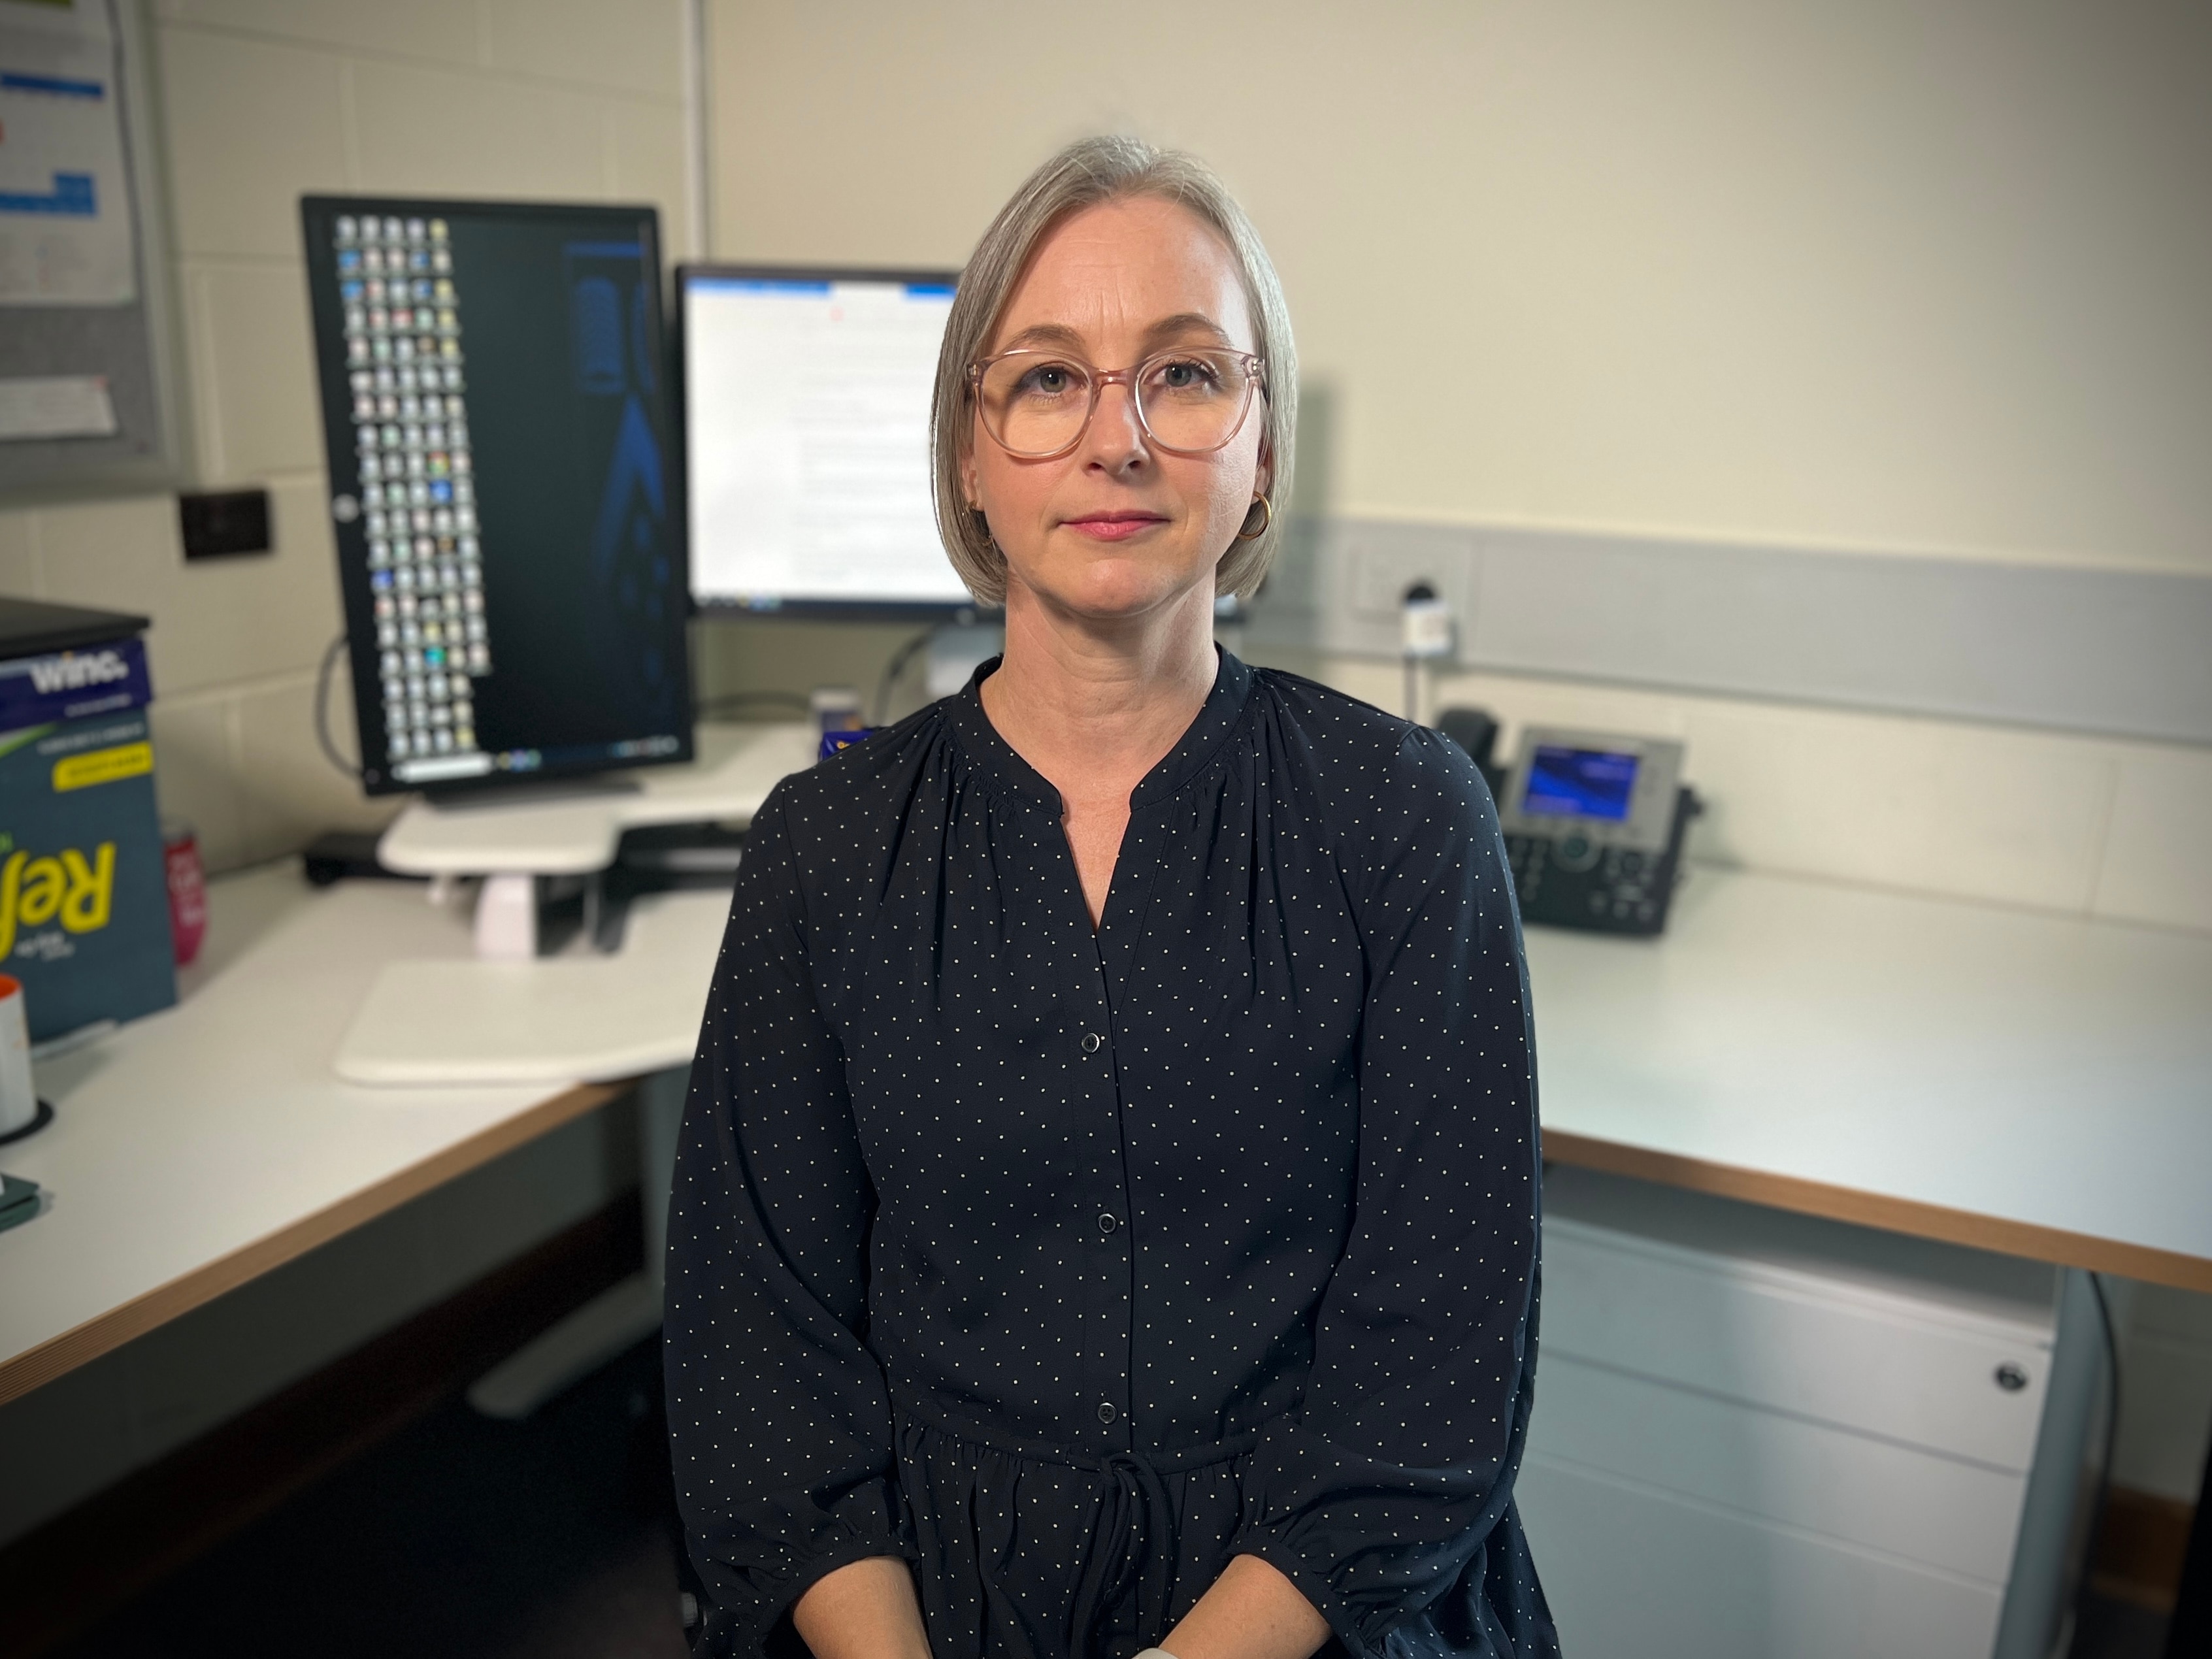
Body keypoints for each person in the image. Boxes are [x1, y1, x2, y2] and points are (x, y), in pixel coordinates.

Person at [665, 135, 1553, 1659]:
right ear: (966, 448)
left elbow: (1436, 1372)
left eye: (1188, 375)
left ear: (1262, 445)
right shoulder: (823, 848)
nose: (1118, 439)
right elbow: (763, 1363)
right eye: (1048, 377)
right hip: (917, 1608)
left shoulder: (1404, 821)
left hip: (1313, 1595)